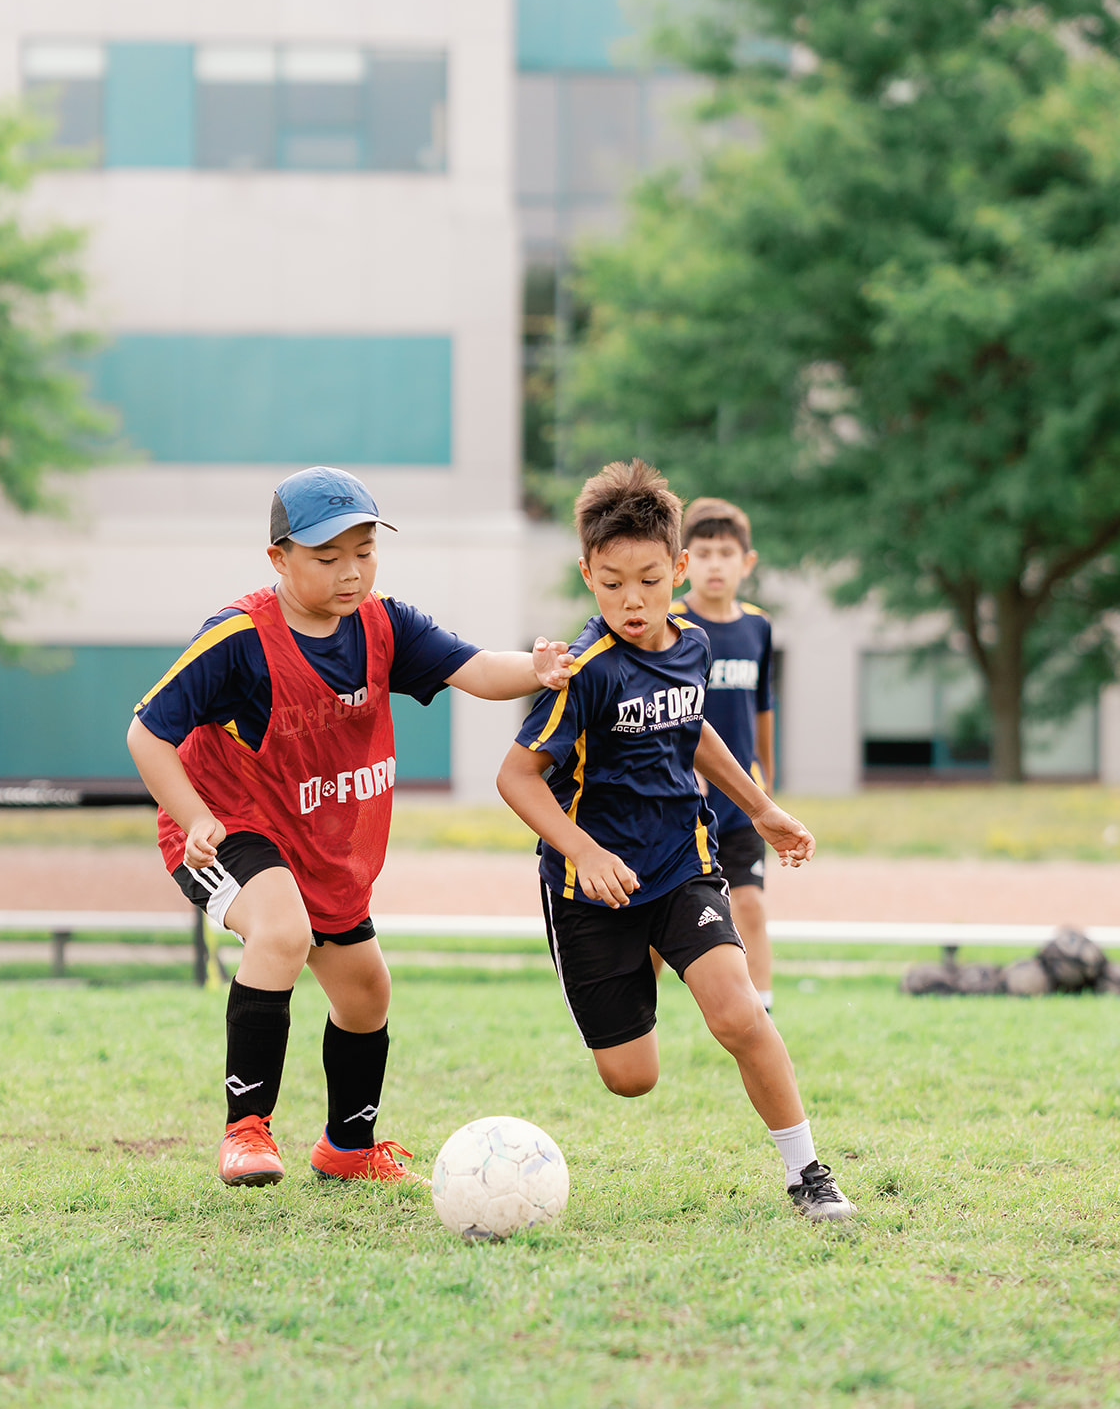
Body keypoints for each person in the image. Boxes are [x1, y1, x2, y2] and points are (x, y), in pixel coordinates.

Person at [127, 466, 573, 1190]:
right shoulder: (238, 638)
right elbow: (146, 734)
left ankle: (347, 1146)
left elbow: (477, 668)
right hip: (224, 828)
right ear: (279, 559)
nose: (351, 571)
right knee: (281, 933)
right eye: (327, 557)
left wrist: (540, 668)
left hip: (320, 843)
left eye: (364, 552)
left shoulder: (385, 624)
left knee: (366, 992)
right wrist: (197, 818)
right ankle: (246, 1132)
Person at [496, 460, 853, 1221]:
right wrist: (584, 852)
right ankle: (628, 978)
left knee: (738, 1013)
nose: (633, 600)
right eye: (613, 581)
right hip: (590, 888)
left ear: (680, 570)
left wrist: (762, 808)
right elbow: (517, 778)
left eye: (651, 580)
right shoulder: (585, 671)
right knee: (632, 1077)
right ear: (586, 573)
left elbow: (694, 731)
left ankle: (809, 1173)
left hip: (682, 867)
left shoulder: (691, 644)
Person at [676, 497, 776, 1013]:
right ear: (683, 560)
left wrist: (768, 790)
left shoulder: (758, 627)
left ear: (747, 562)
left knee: (751, 906)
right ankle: (639, 1020)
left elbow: (763, 710)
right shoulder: (669, 625)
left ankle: (763, 1014)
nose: (715, 564)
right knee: (658, 924)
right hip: (677, 803)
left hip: (740, 803)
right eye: (704, 552)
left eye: (726, 553)